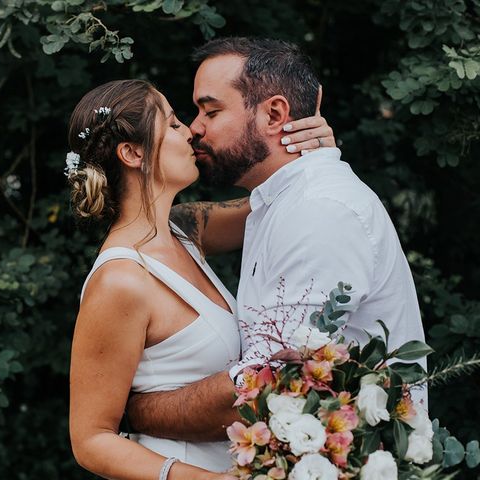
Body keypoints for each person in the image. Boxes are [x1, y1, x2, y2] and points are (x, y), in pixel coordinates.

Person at [126, 37, 428, 443]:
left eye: (210, 111)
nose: (195, 128)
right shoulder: (279, 201)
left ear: (273, 114)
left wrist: (134, 411)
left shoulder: (318, 211)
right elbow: (167, 225)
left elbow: (268, 386)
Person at [67, 78, 335, 479]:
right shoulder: (120, 280)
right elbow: (91, 440)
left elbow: (280, 202)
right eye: (173, 123)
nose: (191, 130)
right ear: (133, 152)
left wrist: (316, 154)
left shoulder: (185, 230)